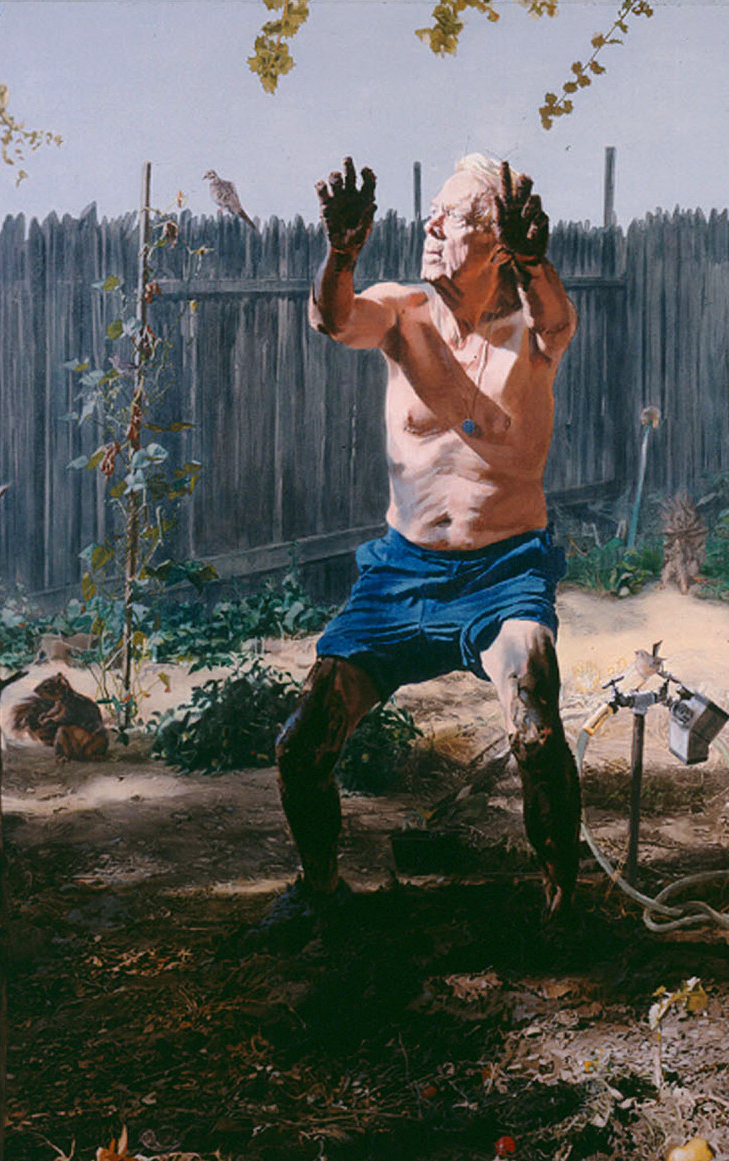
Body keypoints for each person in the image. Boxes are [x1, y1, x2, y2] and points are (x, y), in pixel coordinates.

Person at [272, 154, 581, 923]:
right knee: (301, 744)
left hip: (505, 572)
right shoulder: (402, 311)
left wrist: (535, 263)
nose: (431, 225)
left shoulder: (532, 332)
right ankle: (318, 892)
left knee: (535, 728)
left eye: (456, 218)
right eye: (432, 212)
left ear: (499, 244)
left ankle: (563, 908)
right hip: (400, 573)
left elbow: (555, 317)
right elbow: (334, 317)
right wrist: (341, 253)